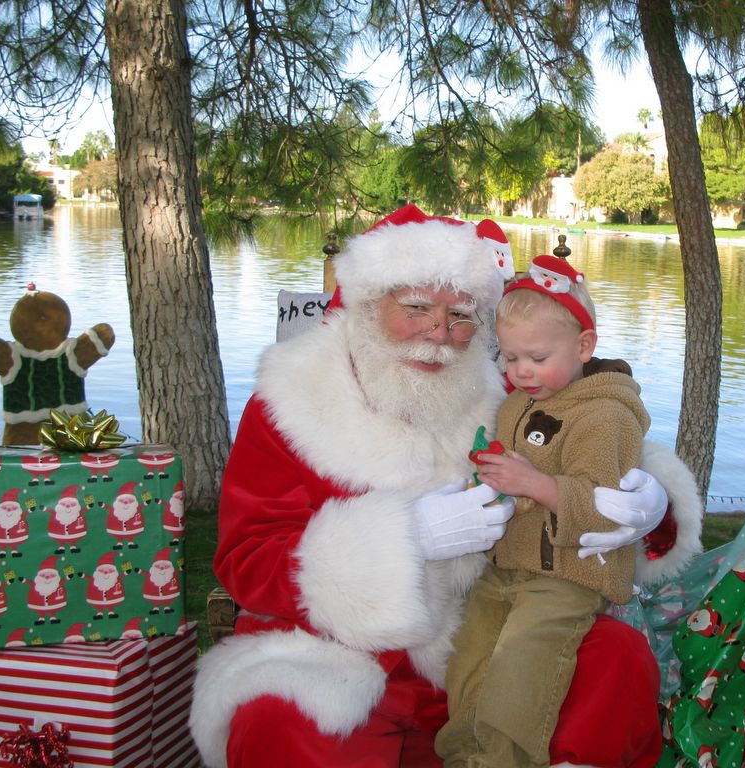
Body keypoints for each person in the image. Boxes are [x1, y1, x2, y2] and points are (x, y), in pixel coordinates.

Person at [189, 204, 704, 768]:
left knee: (616, 658)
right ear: (366, 305)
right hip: (333, 651)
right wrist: (402, 542)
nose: (440, 332)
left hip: (485, 633)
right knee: (278, 722)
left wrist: (651, 504)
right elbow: (246, 558)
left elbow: (585, 432)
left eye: (461, 315)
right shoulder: (291, 402)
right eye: (415, 308)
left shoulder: (504, 387)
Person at [437, 255, 651, 767]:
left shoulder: (604, 415)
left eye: (535, 356)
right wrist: (490, 473)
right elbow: (518, 475)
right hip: (506, 567)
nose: (520, 372)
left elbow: (607, 510)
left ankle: (502, 760)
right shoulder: (519, 403)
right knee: (468, 662)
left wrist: (533, 484)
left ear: (584, 346)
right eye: (509, 358)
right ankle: (463, 756)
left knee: (520, 671)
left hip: (565, 574)